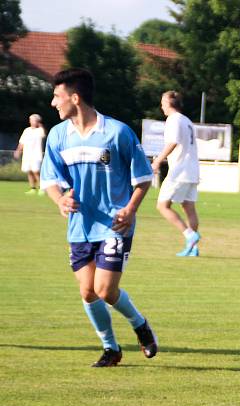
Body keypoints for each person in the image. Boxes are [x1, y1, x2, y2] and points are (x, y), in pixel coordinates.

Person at [40, 68, 158, 367]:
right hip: (80, 226)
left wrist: (130, 210)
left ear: (75, 98)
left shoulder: (117, 132)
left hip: (114, 225)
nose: (53, 103)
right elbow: (50, 180)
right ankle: (110, 348)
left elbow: (143, 178)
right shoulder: (57, 136)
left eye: (57, 96)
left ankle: (140, 324)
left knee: (105, 290)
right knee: (87, 291)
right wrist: (60, 200)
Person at [151, 91, 202, 257]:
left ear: (169, 104)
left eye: (163, 103)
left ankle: (190, 235)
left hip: (179, 170)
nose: (161, 106)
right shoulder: (186, 120)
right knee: (189, 207)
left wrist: (158, 160)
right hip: (192, 170)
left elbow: (173, 142)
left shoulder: (173, 120)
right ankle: (193, 248)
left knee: (162, 206)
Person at [14, 114, 46, 195]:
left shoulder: (40, 130)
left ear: (37, 121)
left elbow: (44, 134)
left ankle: (41, 188)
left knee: (36, 171)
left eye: (33, 120)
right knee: (29, 171)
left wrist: (40, 125)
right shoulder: (26, 130)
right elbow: (22, 142)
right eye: (31, 120)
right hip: (27, 155)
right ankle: (33, 188)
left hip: (36, 155)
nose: (31, 122)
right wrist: (18, 151)